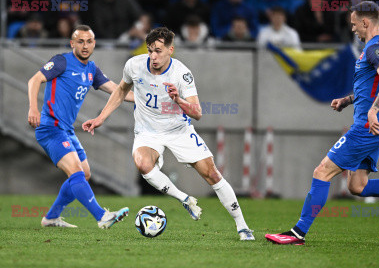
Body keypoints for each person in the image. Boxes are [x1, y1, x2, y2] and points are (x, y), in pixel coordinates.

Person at [265, 1, 379, 246]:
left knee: (322, 171)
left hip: (368, 127)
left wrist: (373, 111)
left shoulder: (375, 47)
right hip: (377, 126)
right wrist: (348, 100)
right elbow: (372, 86)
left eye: (354, 24)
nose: (353, 29)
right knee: (357, 185)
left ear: (365, 22)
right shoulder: (378, 46)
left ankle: (297, 233)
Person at [82, 27, 255, 241]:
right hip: (147, 131)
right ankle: (184, 199)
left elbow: (198, 113)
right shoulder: (134, 65)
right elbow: (120, 91)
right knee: (143, 164)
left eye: (158, 51)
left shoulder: (182, 74)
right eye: (150, 50)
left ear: (170, 50)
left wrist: (178, 100)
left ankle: (243, 226)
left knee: (212, 174)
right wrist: (101, 118)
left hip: (178, 130)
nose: (153, 56)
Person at [27, 25, 134, 228]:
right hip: (50, 128)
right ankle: (102, 216)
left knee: (84, 174)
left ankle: (51, 217)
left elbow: (117, 91)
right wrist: (33, 108)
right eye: (80, 41)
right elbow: (34, 80)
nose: (85, 46)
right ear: (72, 43)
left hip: (66, 130)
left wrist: (143, 99)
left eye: (89, 41)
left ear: (94, 43)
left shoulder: (91, 69)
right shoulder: (61, 61)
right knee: (76, 172)